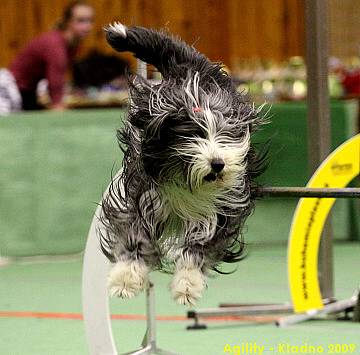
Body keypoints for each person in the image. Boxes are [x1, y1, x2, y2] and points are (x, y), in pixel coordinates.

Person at [0, 1, 94, 115]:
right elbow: (55, 84)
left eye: (90, 20)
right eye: (81, 21)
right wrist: (58, 105)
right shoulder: (55, 44)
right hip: (7, 89)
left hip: (27, 91)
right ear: (67, 22)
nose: (87, 26)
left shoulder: (72, 45)